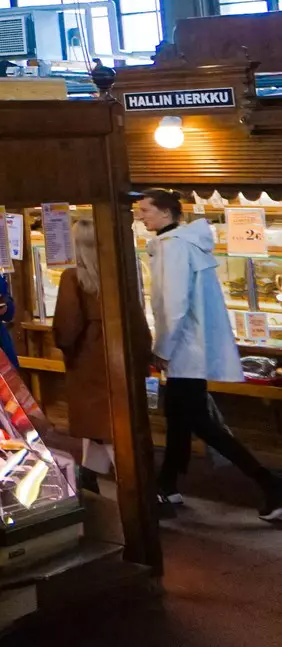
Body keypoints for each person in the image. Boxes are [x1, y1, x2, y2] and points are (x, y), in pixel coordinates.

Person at [133, 189, 282, 518]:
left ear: (166, 213)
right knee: (180, 419)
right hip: (190, 348)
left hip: (184, 350)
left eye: (145, 209)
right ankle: (168, 486)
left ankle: (270, 484)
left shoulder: (173, 248)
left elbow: (173, 306)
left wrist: (162, 349)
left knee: (198, 421)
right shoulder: (183, 243)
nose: (140, 215)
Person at [52, 217, 150, 486]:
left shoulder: (73, 278)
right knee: (109, 426)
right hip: (120, 357)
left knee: (102, 429)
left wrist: (64, 345)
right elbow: (138, 319)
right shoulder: (120, 274)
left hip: (88, 362)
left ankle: (136, 490)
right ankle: (90, 482)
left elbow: (67, 327)